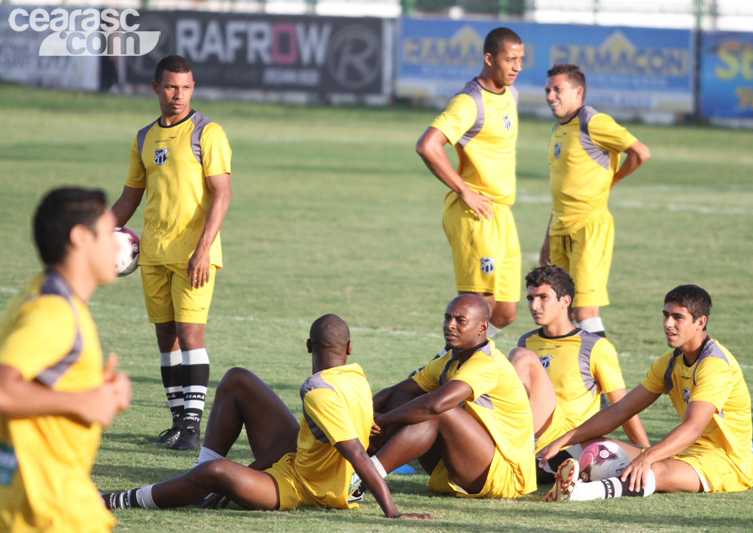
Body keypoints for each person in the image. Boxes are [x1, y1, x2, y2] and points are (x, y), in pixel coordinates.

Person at [102, 315, 432, 520]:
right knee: (237, 380)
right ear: (349, 348)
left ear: (308, 346)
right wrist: (249, 471)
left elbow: (357, 454)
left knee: (217, 472)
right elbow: (298, 439)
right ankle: (198, 479)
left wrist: (394, 514)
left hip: (307, 489)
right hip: (300, 465)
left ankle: (122, 499)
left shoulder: (318, 392)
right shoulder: (356, 376)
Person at [111, 55, 232, 449]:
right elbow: (130, 196)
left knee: (191, 334)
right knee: (166, 338)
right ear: (155, 88)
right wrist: (95, 232)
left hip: (194, 255)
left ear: (192, 88)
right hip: (153, 253)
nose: (178, 95)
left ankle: (193, 428)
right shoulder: (144, 137)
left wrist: (203, 249)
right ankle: (178, 422)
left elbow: (222, 195)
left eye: (186, 87)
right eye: (170, 87)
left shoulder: (207, 132)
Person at [537, 285, 753, 501]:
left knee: (658, 470)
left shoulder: (714, 365)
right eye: (665, 315)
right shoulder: (668, 363)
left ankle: (580, 493)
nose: (668, 324)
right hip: (684, 451)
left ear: (700, 322)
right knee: (591, 446)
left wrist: (647, 457)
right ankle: (528, 477)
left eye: (677, 317)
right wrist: (562, 441)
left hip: (726, 461)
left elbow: (693, 428)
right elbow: (620, 410)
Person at [0, 187, 131, 533]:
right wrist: (83, 400)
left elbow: (35, 381)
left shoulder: (41, 293)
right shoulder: (54, 313)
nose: (117, 245)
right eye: (107, 234)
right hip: (53, 515)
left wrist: (94, 390)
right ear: (80, 238)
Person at [369, 294, 536, 499]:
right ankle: (355, 463)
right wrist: (363, 417)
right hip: (465, 462)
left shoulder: (486, 363)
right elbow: (392, 392)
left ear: (482, 328)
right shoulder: (451, 359)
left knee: (441, 409)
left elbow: (435, 406)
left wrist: (382, 420)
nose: (450, 325)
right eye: (447, 318)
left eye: (460, 321)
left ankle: (365, 477)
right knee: (399, 400)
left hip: (504, 474)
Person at [416, 27, 525, 338]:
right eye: (509, 59)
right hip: (475, 213)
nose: (516, 67)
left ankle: (450, 363)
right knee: (479, 305)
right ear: (489, 58)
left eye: (520, 59)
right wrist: (465, 191)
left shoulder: (511, 95)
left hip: (502, 212)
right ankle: (454, 376)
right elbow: (428, 145)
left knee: (505, 312)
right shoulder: (469, 102)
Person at [508, 265, 649, 483]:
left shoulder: (595, 346)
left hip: (575, 445)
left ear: (565, 301)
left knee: (657, 458)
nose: (534, 305)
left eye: (543, 297)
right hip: (536, 440)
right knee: (521, 356)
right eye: (530, 298)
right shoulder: (526, 343)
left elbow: (624, 407)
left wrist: (646, 453)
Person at [539, 63, 650, 338]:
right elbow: (562, 191)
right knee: (566, 311)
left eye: (557, 89)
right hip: (559, 229)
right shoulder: (558, 129)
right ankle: (574, 376)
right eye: (548, 90)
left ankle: (603, 379)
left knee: (586, 311)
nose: (551, 96)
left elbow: (640, 152)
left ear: (578, 92)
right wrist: (547, 239)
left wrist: (613, 179)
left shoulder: (593, 122)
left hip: (589, 228)